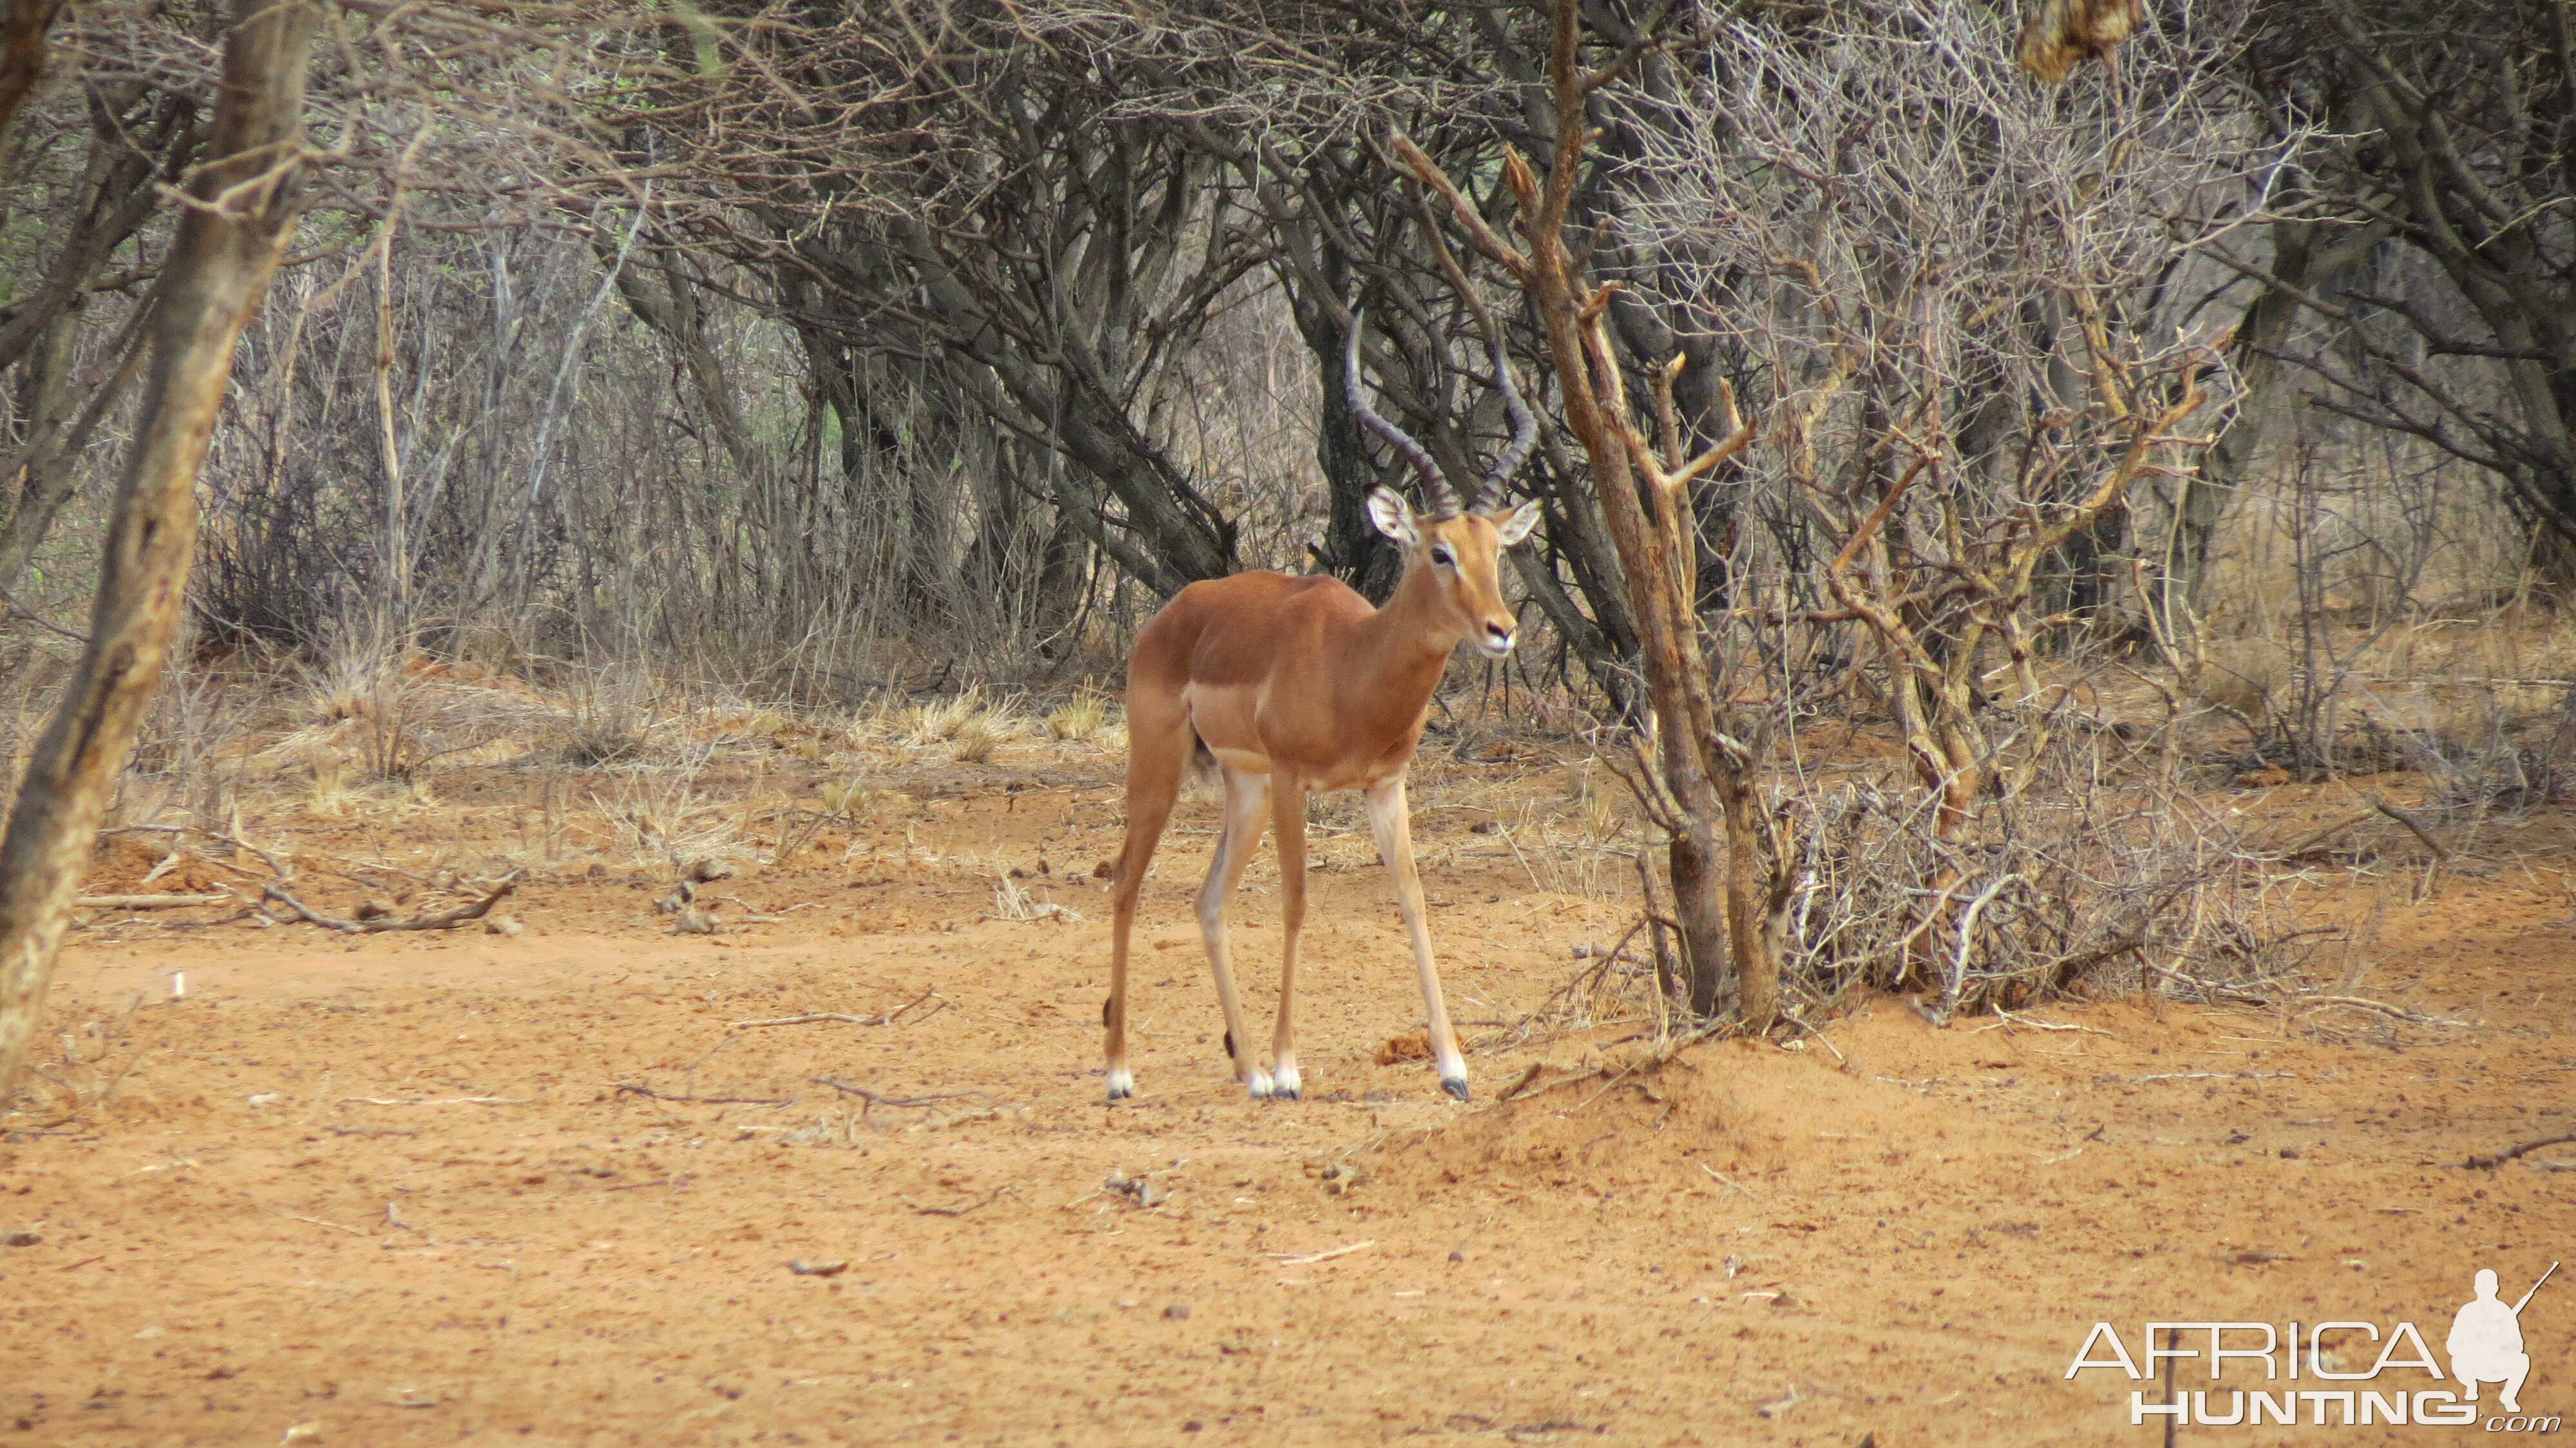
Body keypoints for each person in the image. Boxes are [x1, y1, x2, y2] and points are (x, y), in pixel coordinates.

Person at [2448, 1269, 2532, 1414]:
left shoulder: (2505, 1311)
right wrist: (2474, 1348)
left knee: (2523, 1360)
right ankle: (2471, 1386)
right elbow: (2452, 1344)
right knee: (2457, 1360)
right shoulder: (2467, 1311)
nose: (2486, 1291)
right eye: (2482, 1287)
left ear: (2496, 1289)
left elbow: (2518, 1345)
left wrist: (2499, 1346)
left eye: (2489, 1287)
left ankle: (2508, 1397)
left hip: (2497, 1366)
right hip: (2471, 1366)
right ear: (2476, 1289)